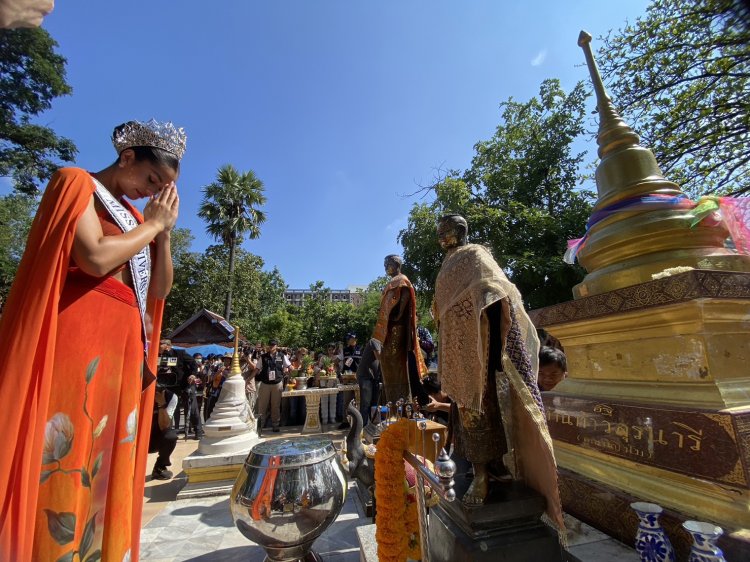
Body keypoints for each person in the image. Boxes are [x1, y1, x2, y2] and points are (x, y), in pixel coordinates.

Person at [0, 119, 185, 561]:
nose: (151, 191)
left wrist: (164, 231)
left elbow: (159, 290)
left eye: (163, 187)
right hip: (79, 336)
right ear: (127, 158)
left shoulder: (142, 219)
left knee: (109, 457)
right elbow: (96, 256)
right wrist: (149, 227)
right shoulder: (76, 182)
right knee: (67, 450)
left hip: (122, 347)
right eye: (151, 178)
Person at [432, 214, 564, 532]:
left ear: (461, 231)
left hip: (482, 345)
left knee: (484, 409)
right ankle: (483, 466)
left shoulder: (476, 255)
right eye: (439, 234)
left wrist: (482, 330)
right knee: (465, 414)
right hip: (457, 350)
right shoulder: (446, 267)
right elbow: (440, 310)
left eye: (446, 232)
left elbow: (497, 291)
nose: (442, 238)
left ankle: (485, 472)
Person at [371, 254, 427, 404]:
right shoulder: (393, 282)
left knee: (395, 364)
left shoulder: (402, 280)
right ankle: (392, 401)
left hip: (396, 329)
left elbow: (405, 296)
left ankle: (402, 401)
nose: (385, 268)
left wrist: (398, 314)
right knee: (388, 363)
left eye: (387, 264)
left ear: (395, 264)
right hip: (389, 330)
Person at [256, 340, 290, 433]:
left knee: (276, 406)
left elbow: (289, 366)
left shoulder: (282, 356)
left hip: (277, 383)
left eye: (273, 345)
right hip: (265, 383)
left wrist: (292, 372)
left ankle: (275, 425)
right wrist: (248, 380)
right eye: (270, 345)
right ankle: (260, 426)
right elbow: (257, 369)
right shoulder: (263, 357)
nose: (271, 346)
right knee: (262, 406)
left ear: (276, 346)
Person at [149, 388, 179, 480]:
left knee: (171, 436)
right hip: (134, 436)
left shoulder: (170, 397)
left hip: (153, 439)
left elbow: (164, 426)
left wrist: (161, 404)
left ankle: (159, 467)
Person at [337, 333, 361, 429]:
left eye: (354, 338)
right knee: (346, 401)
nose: (352, 340)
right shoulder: (344, 350)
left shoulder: (361, 349)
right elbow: (337, 361)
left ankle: (358, 421)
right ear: (348, 340)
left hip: (358, 379)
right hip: (347, 379)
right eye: (350, 339)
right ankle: (345, 421)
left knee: (359, 400)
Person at [356, 338, 382, 423]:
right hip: (365, 376)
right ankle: (362, 427)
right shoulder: (374, 341)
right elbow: (379, 356)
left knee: (374, 404)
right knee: (366, 404)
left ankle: (373, 426)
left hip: (374, 377)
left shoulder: (382, 345)